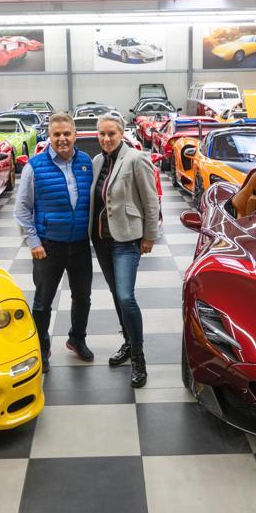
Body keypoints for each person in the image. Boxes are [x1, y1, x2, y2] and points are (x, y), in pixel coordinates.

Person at [14, 112, 95, 371]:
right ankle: (43, 347)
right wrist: (33, 242)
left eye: (66, 134)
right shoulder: (34, 166)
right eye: (57, 134)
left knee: (82, 297)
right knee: (42, 301)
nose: (62, 139)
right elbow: (22, 209)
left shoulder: (86, 163)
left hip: (80, 243)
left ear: (75, 135)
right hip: (48, 246)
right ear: (49, 136)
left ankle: (77, 339)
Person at [90, 113, 161, 388]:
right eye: (102, 134)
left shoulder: (135, 158)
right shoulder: (98, 162)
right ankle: (128, 344)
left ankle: (139, 357)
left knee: (125, 296)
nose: (106, 139)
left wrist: (149, 236)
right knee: (116, 296)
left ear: (121, 134)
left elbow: (151, 200)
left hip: (127, 240)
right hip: (102, 241)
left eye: (111, 134)